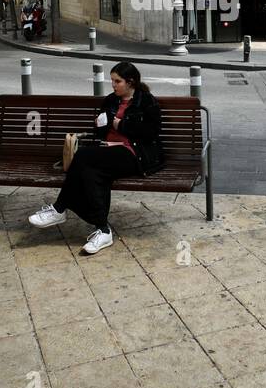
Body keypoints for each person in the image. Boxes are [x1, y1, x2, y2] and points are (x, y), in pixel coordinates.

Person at [27, 61, 164, 255]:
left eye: (118, 81)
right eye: (112, 81)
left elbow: (151, 133)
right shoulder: (110, 100)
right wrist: (101, 127)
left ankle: (59, 209)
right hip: (107, 151)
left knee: (83, 157)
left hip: (134, 154)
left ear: (130, 82)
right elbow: (99, 131)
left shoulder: (147, 101)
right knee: (93, 173)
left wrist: (120, 125)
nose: (113, 85)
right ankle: (103, 230)